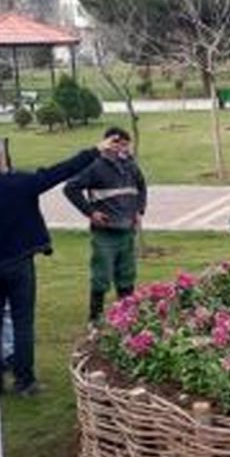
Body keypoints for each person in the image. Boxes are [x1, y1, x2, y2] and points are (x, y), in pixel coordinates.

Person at [0, 134, 117, 396]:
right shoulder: (19, 183)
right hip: (19, 263)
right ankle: (24, 381)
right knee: (22, 322)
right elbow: (59, 172)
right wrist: (95, 150)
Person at [63, 126, 149, 323]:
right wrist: (90, 212)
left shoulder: (130, 166)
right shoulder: (95, 167)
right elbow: (70, 188)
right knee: (101, 275)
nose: (125, 151)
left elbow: (141, 187)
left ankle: (127, 316)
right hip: (105, 234)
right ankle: (96, 318)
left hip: (128, 230)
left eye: (127, 146)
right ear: (109, 144)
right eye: (121, 145)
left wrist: (139, 210)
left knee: (127, 274)